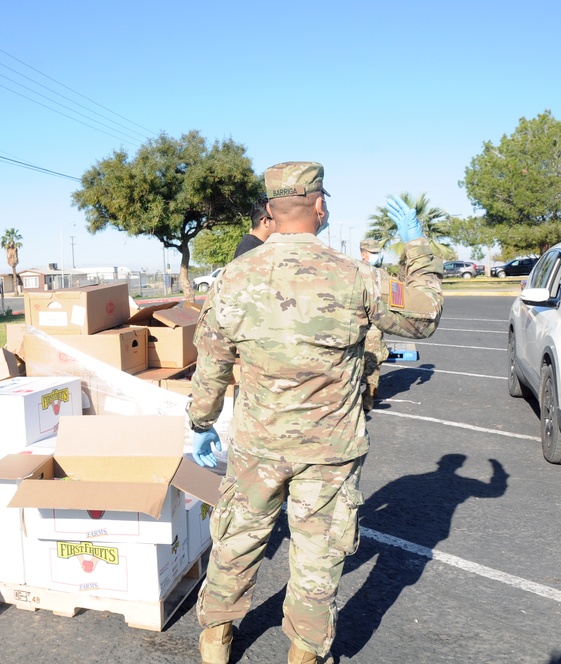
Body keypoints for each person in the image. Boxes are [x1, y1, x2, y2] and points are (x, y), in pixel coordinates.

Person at [187, 162, 444, 664]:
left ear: (269, 210)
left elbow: (212, 362)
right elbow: (424, 315)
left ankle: (215, 640)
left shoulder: (234, 277)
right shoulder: (355, 275)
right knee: (317, 556)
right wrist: (416, 247)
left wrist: (200, 421)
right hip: (328, 450)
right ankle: (303, 652)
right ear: (320, 207)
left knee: (237, 540)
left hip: (257, 446)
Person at [358, 239, 391, 412]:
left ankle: (370, 393)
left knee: (375, 356)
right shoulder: (354, 270)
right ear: (364, 254)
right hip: (359, 320)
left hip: (375, 323)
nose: (378, 256)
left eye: (379, 252)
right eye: (374, 253)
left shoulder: (382, 273)